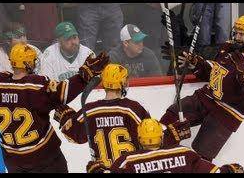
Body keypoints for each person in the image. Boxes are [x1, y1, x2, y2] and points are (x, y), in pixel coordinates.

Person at [0, 43, 109, 173]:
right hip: (44, 158)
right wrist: (85, 75)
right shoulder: (35, 86)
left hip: (13, 160)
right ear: (28, 64)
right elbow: (62, 93)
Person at [160, 15, 244, 162]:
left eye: (242, 34)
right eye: (236, 32)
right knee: (168, 120)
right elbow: (216, 71)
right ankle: (161, 164)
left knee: (201, 157)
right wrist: (196, 63)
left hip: (226, 113)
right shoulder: (228, 46)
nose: (237, 36)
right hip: (205, 98)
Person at [53, 63, 188, 173]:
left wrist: (66, 118)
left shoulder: (89, 110)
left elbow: (73, 136)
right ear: (122, 83)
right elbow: (151, 141)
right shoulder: (132, 108)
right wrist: (173, 134)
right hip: (130, 170)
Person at [108, 118, 244, 173]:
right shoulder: (184, 153)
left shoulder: (128, 160)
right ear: (161, 137)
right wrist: (229, 170)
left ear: (139, 139)